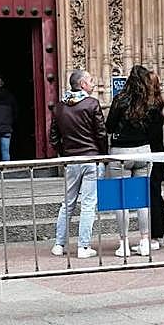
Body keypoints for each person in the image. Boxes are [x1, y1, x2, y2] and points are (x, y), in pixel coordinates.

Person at [105, 65, 162, 257]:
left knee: (121, 201)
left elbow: (109, 126)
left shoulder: (120, 99)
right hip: (143, 151)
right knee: (141, 199)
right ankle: (145, 240)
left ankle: (124, 243)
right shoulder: (151, 102)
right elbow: (154, 130)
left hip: (121, 152)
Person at [50, 70, 107, 259]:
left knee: (67, 203)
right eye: (90, 80)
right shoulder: (92, 104)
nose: (93, 83)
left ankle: (59, 244)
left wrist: (65, 153)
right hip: (91, 158)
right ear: (82, 84)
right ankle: (83, 247)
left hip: (71, 161)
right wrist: (102, 155)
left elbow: (54, 137)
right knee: (88, 204)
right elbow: (100, 134)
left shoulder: (59, 107)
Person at [146, 69, 164, 249]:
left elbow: (152, 134)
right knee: (155, 194)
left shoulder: (152, 108)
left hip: (153, 154)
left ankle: (156, 234)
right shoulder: (155, 104)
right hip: (156, 153)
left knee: (153, 194)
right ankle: (159, 232)